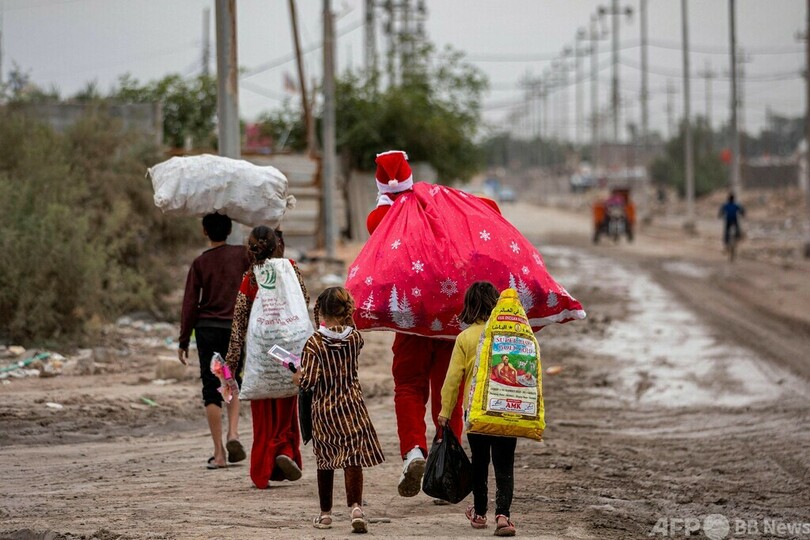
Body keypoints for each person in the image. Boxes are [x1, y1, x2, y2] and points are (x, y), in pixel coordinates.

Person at [293, 287, 385, 534]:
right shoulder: (354, 339)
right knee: (352, 457)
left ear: (321, 312)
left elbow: (309, 382)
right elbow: (351, 332)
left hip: (324, 410)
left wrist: (297, 376)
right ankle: (356, 509)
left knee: (325, 459)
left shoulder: (314, 343)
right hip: (352, 406)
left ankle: (325, 515)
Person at [225, 225, 309, 487]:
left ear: (251, 250)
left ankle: (263, 468)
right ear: (277, 246)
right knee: (286, 404)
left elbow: (239, 321)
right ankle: (285, 450)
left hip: (261, 351)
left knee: (263, 412)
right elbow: (304, 301)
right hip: (288, 349)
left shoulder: (250, 278)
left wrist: (232, 360)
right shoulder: (291, 269)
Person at [438, 281, 518, 537]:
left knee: (480, 461)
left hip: (476, 412)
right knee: (504, 464)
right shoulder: (509, 336)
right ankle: (503, 516)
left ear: (469, 306)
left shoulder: (465, 338)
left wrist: (445, 411)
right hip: (506, 409)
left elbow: (453, 379)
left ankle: (480, 513)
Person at [178, 212, 250, 470]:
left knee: (211, 388)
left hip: (207, 331)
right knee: (231, 380)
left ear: (205, 232)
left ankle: (219, 454)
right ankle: (233, 433)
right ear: (229, 231)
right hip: (233, 330)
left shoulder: (200, 263)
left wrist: (183, 340)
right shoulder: (242, 255)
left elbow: (190, 303)